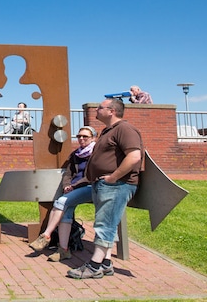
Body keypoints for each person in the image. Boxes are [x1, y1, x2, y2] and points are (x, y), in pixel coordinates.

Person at [67, 97, 143, 279]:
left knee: (105, 225)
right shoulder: (108, 131)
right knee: (107, 223)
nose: (96, 110)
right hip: (105, 185)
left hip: (117, 185)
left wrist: (113, 177)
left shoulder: (125, 129)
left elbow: (134, 157)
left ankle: (94, 266)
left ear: (112, 111)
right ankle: (106, 264)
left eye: (100, 108)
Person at [29, 126, 97, 261]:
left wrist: (74, 186)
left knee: (60, 202)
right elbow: (68, 173)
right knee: (66, 211)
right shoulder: (76, 154)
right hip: (74, 189)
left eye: (85, 137)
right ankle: (63, 250)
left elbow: (92, 175)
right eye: (79, 136)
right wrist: (67, 185)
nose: (81, 139)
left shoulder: (97, 154)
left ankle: (46, 236)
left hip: (90, 187)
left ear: (94, 138)